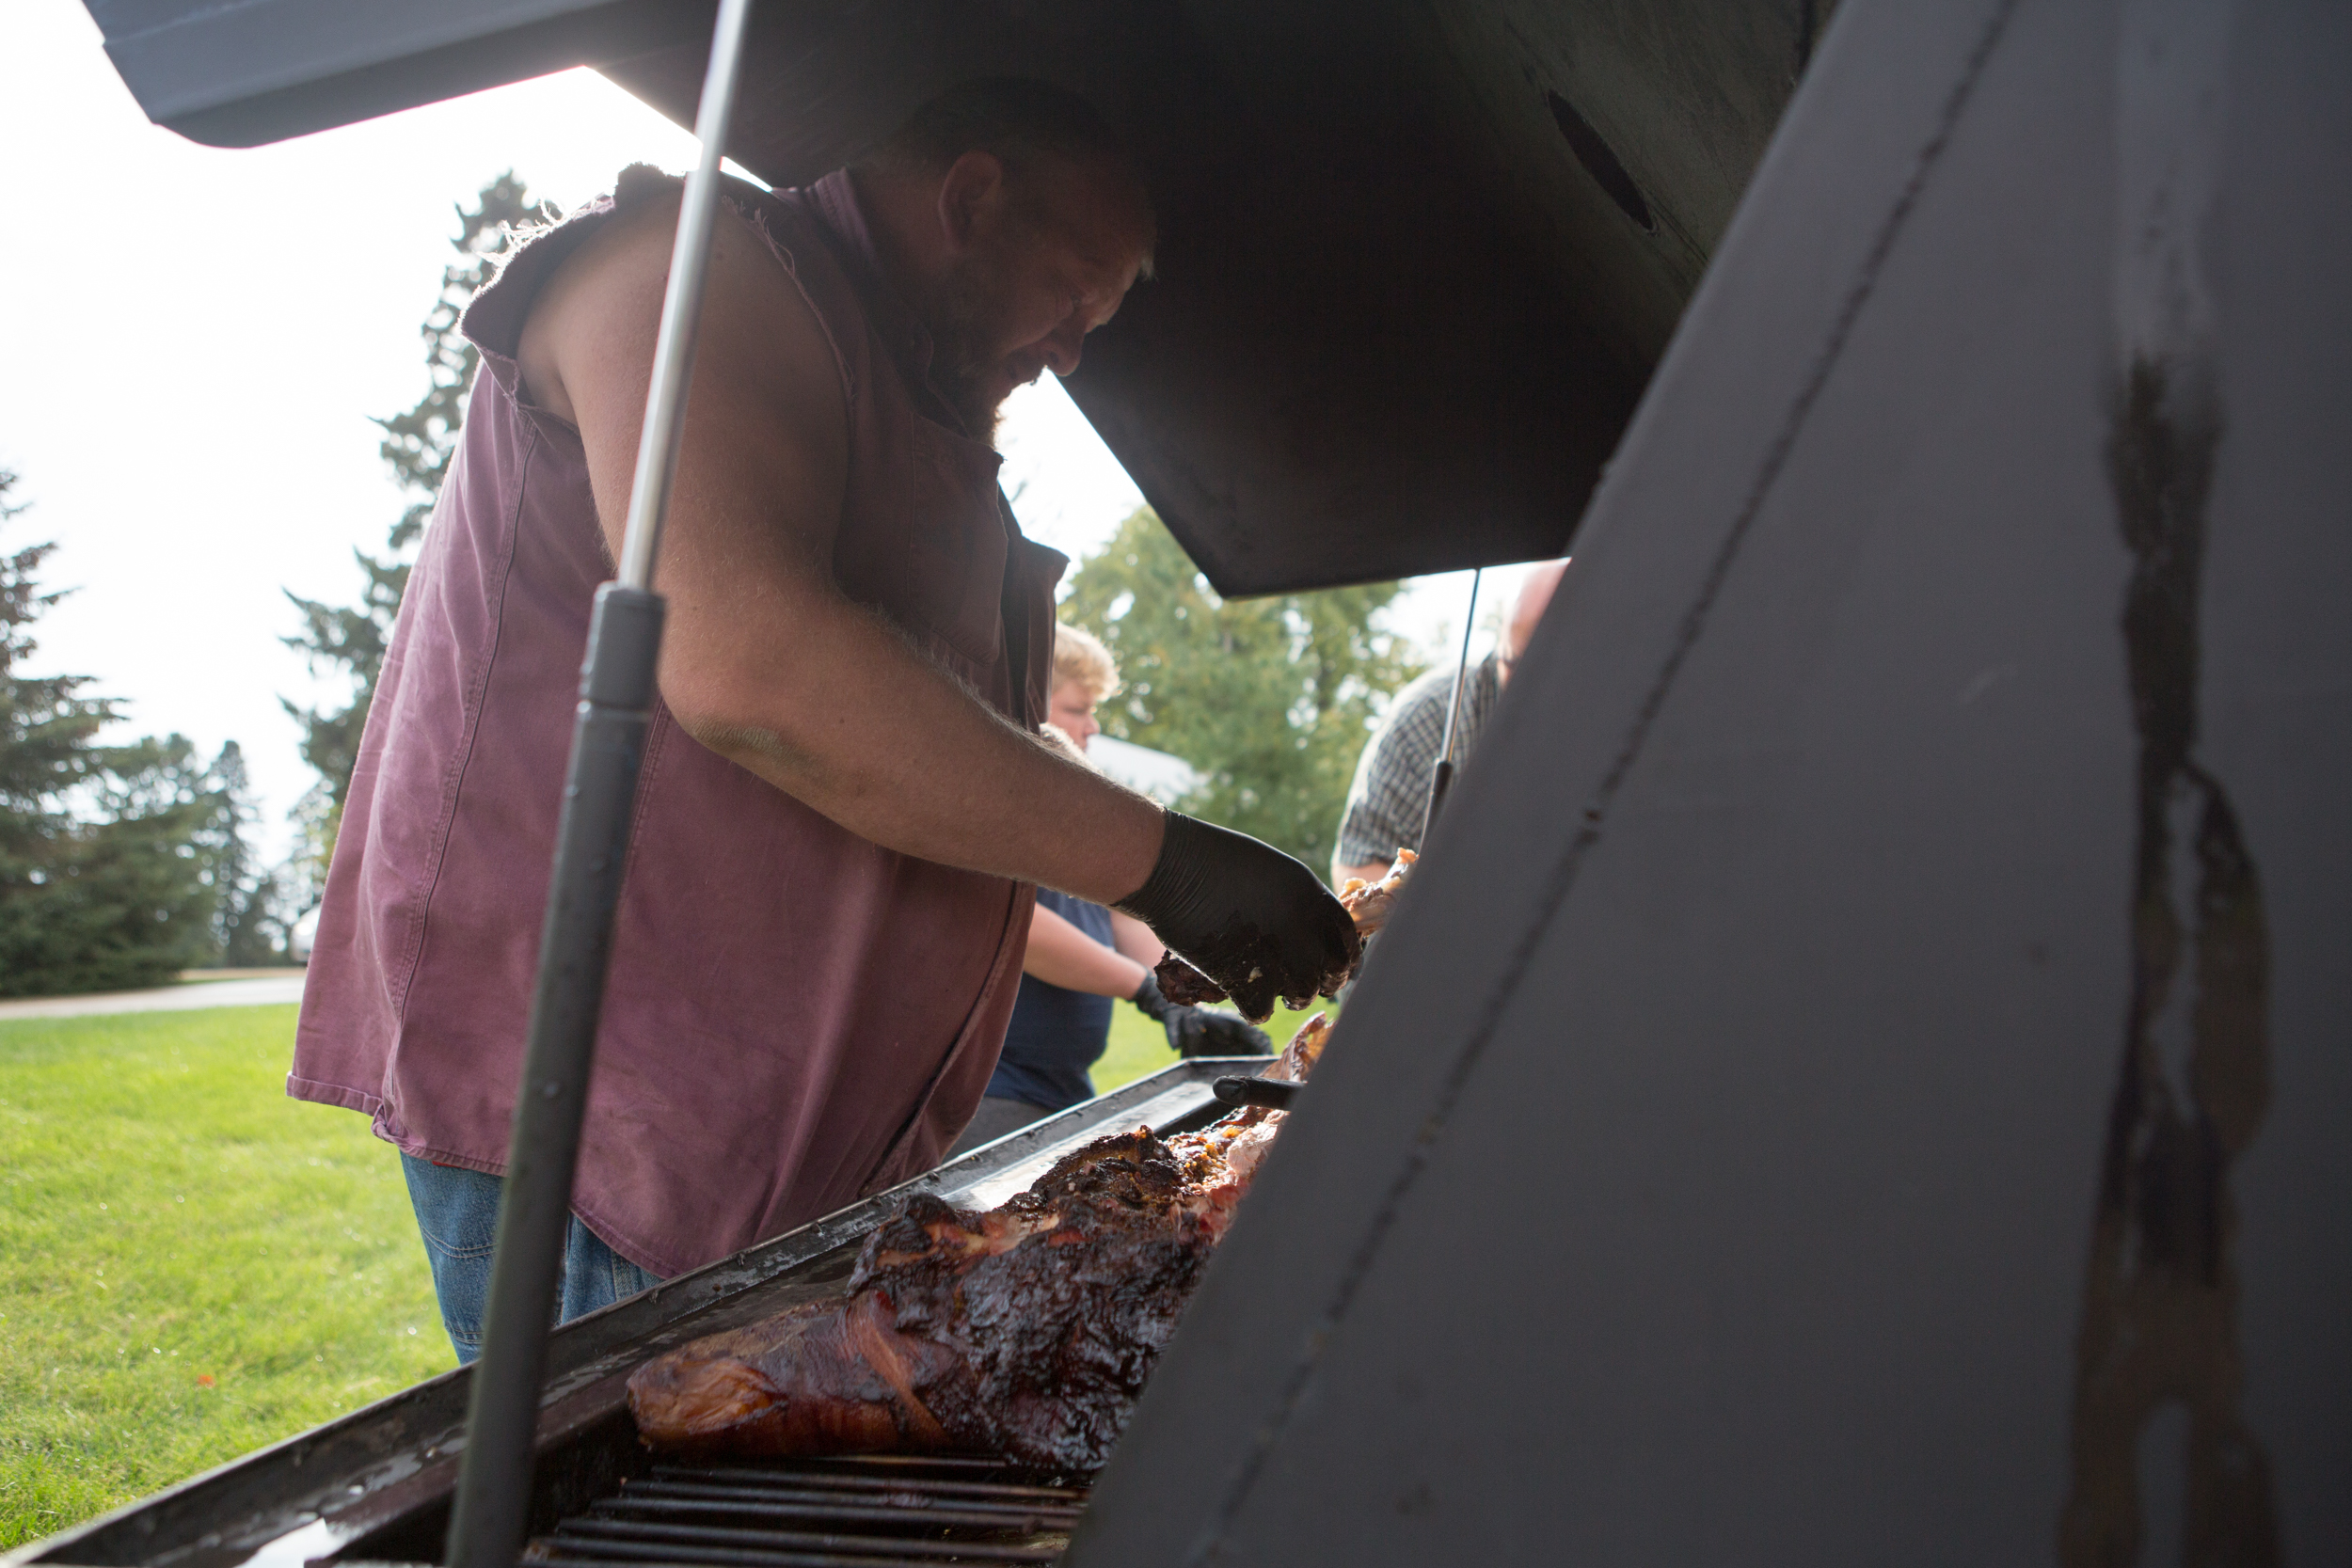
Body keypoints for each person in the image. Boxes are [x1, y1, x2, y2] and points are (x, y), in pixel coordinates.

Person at [292, 79, 1356, 1361]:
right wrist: (1161, 860)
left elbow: (933, 743)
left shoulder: (902, 387)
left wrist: (1145, 875)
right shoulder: (683, 268)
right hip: (620, 1128)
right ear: (971, 198)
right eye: (1074, 293)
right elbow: (755, 670)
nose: (1073, 349)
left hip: (792, 1150)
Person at [946, 626, 1269, 1159]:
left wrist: (1183, 995)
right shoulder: (985, 801)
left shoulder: (1070, 810)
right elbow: (1017, 927)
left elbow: (1124, 909)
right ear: (1028, 703)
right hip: (990, 1089)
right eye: (1078, 709)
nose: (1092, 725)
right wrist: (1144, 990)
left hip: (1062, 1087)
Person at [1332, 559, 1569, 887]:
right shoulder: (1427, 719)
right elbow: (1361, 864)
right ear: (1501, 643)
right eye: (1515, 663)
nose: (1532, 684)